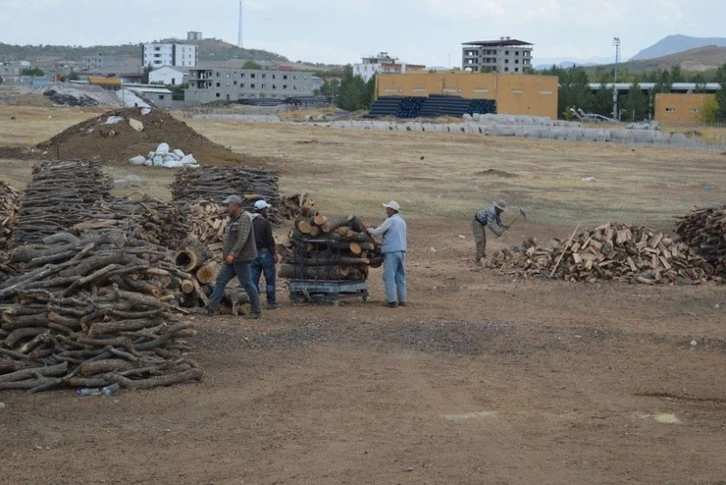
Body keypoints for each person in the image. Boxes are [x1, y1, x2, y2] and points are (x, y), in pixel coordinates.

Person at [205, 195, 262, 318]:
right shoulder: (234, 218)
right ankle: (211, 307)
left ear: (235, 206)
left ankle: (256, 311)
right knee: (220, 280)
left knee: (247, 283)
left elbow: (242, 239)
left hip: (241, 258)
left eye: (228, 205)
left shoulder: (244, 218)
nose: (227, 207)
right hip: (231, 259)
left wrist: (232, 254)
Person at [367, 201, 407, 308]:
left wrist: (369, 230)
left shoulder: (390, 220)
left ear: (392, 210)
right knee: (400, 276)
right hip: (401, 250)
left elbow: (377, 232)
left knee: (389, 275)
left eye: (388, 209)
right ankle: (402, 300)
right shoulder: (402, 221)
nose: (386, 211)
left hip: (391, 251)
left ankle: (392, 300)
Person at [250, 200, 278, 310]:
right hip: (265, 253)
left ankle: (255, 303)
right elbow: (270, 241)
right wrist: (274, 254)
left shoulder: (249, 222)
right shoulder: (265, 223)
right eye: (266, 209)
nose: (267, 211)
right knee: (270, 279)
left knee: (253, 280)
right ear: (262, 210)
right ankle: (271, 303)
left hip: (252, 253)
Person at [472, 199, 509, 265]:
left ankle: (482, 255)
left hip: (481, 224)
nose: (503, 211)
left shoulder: (497, 212)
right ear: (498, 208)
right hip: (477, 223)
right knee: (480, 240)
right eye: (502, 209)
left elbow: (499, 222)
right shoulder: (492, 212)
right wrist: (496, 232)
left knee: (484, 240)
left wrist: (505, 226)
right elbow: (489, 225)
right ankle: (478, 259)